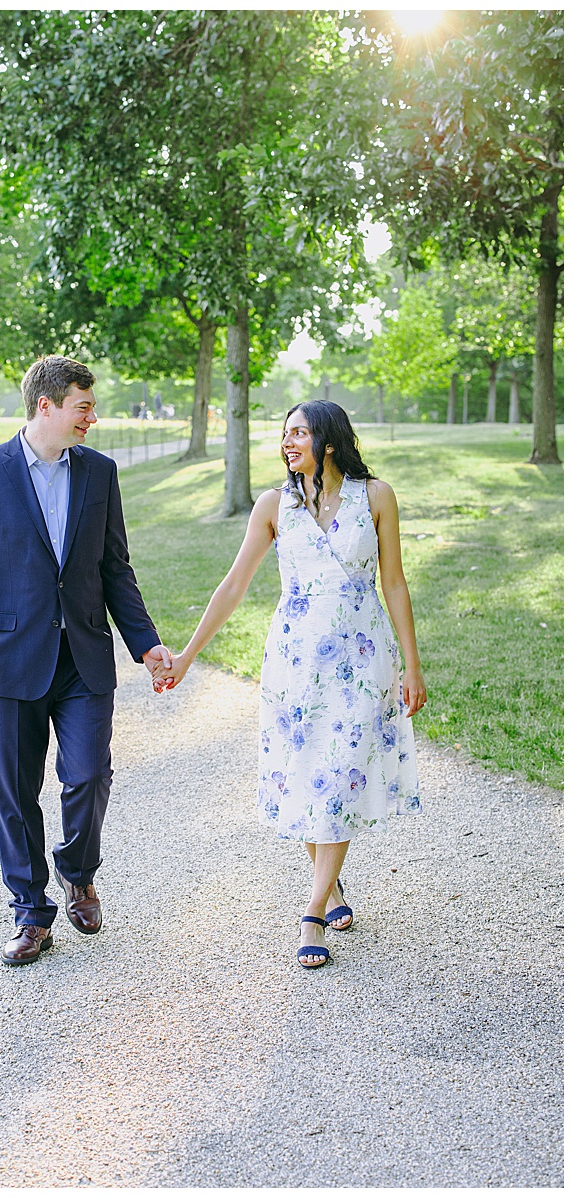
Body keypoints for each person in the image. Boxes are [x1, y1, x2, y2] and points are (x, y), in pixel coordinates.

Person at [161, 400, 424, 968]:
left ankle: (310, 911)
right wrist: (185, 657)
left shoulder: (375, 497)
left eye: (298, 433)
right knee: (309, 778)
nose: (287, 443)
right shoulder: (274, 506)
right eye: (284, 434)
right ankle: (330, 886)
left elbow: (396, 583)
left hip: (363, 656)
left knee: (342, 773)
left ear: (328, 440)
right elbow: (233, 586)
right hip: (295, 662)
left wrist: (412, 664)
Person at [0, 355, 174, 965]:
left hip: (84, 655)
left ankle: (78, 870)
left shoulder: (101, 473)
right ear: (47, 406)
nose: (93, 418)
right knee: (15, 790)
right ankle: (30, 912)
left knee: (89, 773)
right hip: (10, 655)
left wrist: (146, 645)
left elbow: (116, 569)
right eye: (83, 407)